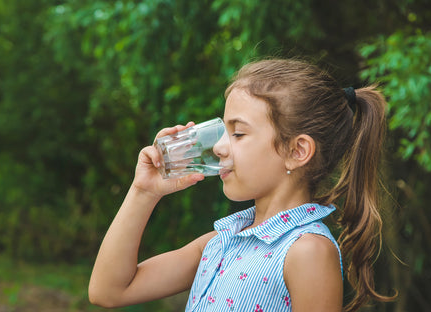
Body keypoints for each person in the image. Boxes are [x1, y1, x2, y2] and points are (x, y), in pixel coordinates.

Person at [88, 58, 395, 311]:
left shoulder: (307, 251)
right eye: (224, 131)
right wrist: (144, 192)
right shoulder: (219, 243)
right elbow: (109, 291)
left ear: (297, 152)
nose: (220, 147)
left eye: (238, 134)